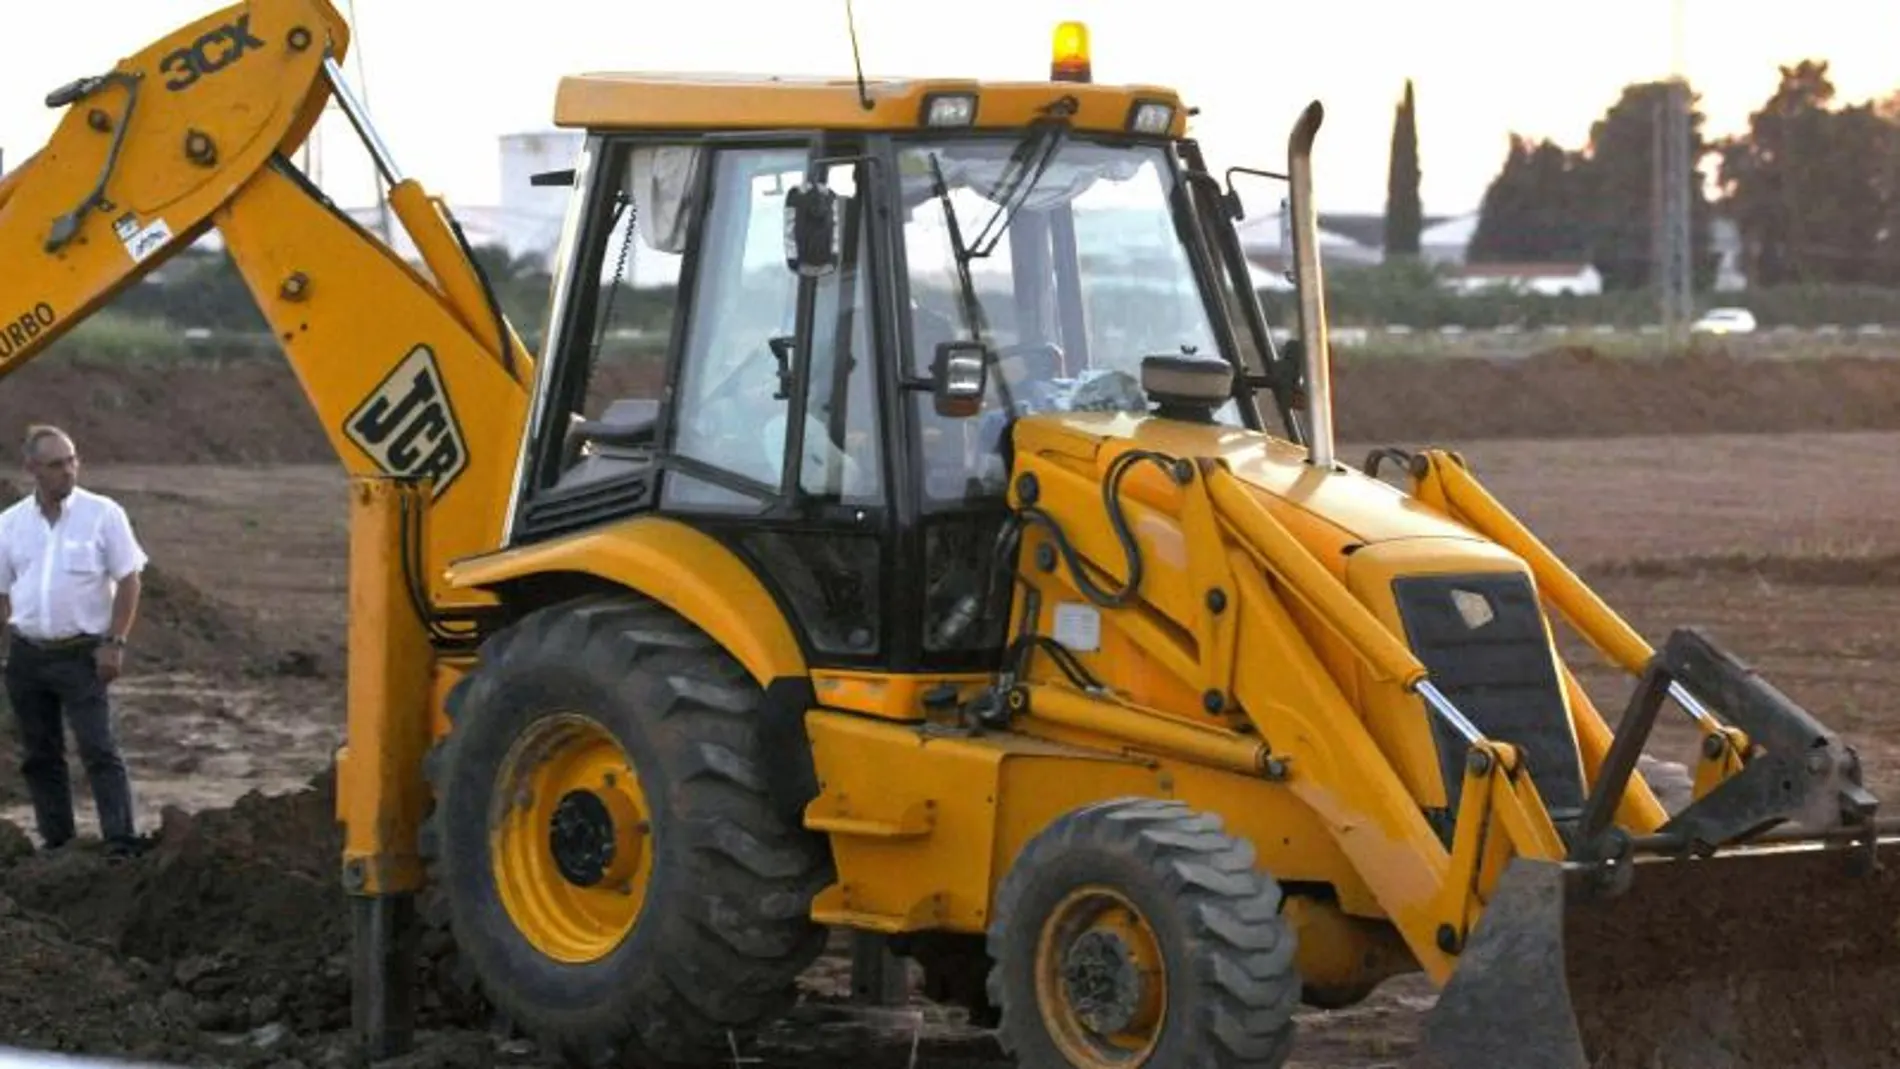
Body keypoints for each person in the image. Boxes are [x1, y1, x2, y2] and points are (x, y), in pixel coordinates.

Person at [0, 425, 147, 856]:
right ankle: (58, 843)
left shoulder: (103, 514)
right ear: (32, 469)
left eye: (72, 460)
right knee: (40, 756)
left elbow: (130, 579)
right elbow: (3, 592)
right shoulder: (8, 525)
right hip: (28, 655)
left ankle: (120, 842)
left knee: (99, 749)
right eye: (56, 465)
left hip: (84, 654)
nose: (69, 471)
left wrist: (115, 642)